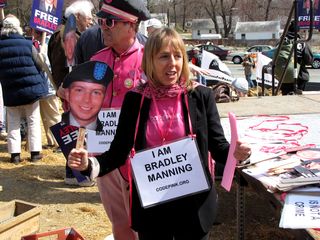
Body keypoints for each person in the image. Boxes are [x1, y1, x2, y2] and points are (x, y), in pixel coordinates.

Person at [68, 27, 251, 240]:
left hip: (194, 207)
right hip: (153, 208)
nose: (172, 63)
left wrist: (236, 154)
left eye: (177, 56)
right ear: (150, 61)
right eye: (164, 56)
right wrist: (88, 165)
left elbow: (218, 146)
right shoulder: (135, 99)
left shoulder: (200, 95)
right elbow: (118, 152)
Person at [84, 0, 150, 239]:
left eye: (110, 22)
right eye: (101, 21)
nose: (104, 27)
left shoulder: (148, 60)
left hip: (137, 156)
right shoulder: (97, 59)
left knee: (144, 222)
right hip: (103, 154)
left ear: (132, 26)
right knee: (118, 220)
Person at [0, 14, 48, 164]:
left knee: (13, 121)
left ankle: (15, 155)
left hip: (10, 90)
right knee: (33, 120)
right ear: (18, 27)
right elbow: (39, 63)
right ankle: (35, 154)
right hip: (31, 89)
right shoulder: (28, 44)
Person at [61, 60, 113, 130]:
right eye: (79, 90)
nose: (87, 100)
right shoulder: (57, 133)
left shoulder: (109, 134)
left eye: (96, 93)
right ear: (67, 94)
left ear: (105, 98)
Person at [32, 29, 61, 150]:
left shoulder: (49, 42)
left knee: (54, 116)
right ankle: (51, 141)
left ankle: (60, 142)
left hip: (49, 86)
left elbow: (47, 64)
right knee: (44, 117)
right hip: (39, 87)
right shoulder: (34, 43)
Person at [279, 20, 313, 95]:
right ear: (297, 30)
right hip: (299, 76)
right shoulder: (301, 42)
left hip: (284, 76)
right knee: (298, 99)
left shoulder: (281, 42)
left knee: (286, 97)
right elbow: (309, 60)